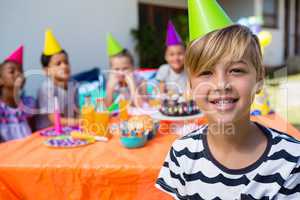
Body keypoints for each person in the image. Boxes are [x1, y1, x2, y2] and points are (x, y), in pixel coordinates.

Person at [156, 1, 300, 199]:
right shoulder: (181, 153)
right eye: (206, 72)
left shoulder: (291, 160)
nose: (221, 84)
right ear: (190, 85)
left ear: (259, 79)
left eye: (236, 70)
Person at [37, 29, 78, 130]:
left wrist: (85, 116)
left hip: (67, 128)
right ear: (47, 71)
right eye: (58, 64)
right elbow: (54, 119)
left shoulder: (73, 84)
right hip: (47, 132)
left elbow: (76, 110)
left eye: (66, 62)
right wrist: (79, 121)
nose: (64, 66)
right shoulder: (46, 88)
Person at [0, 45, 35, 141]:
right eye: (12, 71)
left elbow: (35, 132)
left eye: (21, 71)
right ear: (1, 80)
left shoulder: (27, 105)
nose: (18, 74)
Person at [105, 33, 147, 108]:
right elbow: (107, 108)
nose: (121, 72)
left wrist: (132, 85)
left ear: (133, 68)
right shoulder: (112, 82)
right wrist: (110, 89)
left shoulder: (140, 81)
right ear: (111, 70)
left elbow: (143, 106)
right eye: (116, 69)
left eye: (125, 68)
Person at [155, 20, 186, 94]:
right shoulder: (164, 69)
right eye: (171, 54)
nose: (176, 58)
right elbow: (160, 91)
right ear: (166, 57)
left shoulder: (188, 70)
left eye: (180, 54)